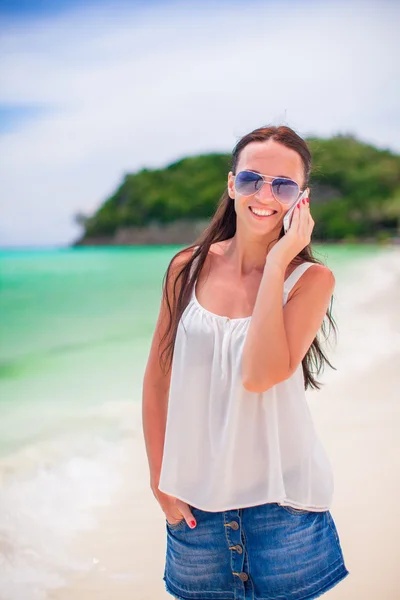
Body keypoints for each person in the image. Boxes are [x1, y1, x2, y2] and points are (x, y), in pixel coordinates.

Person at [142, 124, 350, 600]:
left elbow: (260, 374)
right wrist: (159, 481)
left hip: (283, 511)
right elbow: (158, 379)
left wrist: (277, 262)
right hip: (194, 507)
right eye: (253, 179)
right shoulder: (185, 267)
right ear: (231, 183)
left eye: (283, 185)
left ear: (301, 199)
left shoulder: (310, 280)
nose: (265, 194)